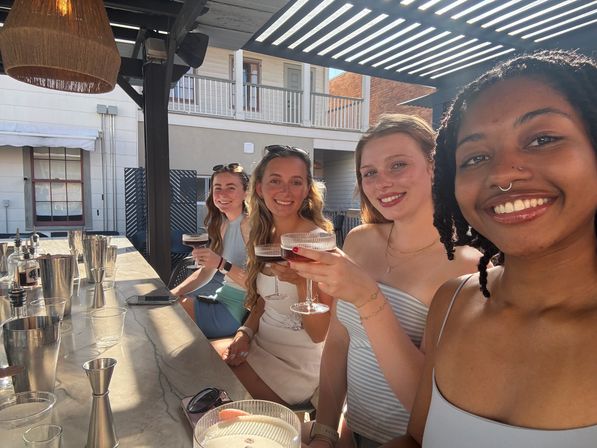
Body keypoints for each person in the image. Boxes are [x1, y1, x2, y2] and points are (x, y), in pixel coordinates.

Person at [383, 50, 597, 447]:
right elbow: (415, 440)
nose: (501, 173)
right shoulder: (452, 302)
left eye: (542, 139)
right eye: (476, 156)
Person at [290, 114, 481, 447]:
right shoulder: (358, 240)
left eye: (398, 165)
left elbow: (429, 404)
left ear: (434, 168)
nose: (382, 183)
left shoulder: (467, 266)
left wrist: (368, 297)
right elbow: (338, 342)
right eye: (369, 173)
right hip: (351, 431)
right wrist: (324, 431)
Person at [214, 145, 333, 406]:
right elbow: (263, 301)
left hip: (295, 365)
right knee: (202, 357)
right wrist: (244, 333)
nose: (285, 191)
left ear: (306, 190)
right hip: (259, 346)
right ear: (259, 189)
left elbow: (319, 334)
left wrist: (303, 283)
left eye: (296, 182)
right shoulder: (263, 236)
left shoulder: (320, 243)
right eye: (275, 181)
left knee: (215, 387)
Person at [171, 163, 250, 339]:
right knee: (168, 306)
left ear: (246, 193)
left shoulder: (250, 225)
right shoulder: (223, 224)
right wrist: (172, 293)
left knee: (166, 318)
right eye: (217, 188)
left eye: (231, 188)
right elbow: (207, 271)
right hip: (219, 299)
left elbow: (258, 287)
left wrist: (222, 263)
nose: (222, 194)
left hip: (237, 311)